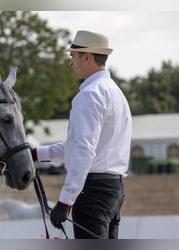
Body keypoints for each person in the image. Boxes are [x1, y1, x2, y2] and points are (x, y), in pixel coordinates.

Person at [32, 30, 132, 239]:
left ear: (86, 56)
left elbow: (84, 150)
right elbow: (76, 146)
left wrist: (65, 200)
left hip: (93, 191)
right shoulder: (116, 93)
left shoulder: (89, 95)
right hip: (114, 188)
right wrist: (34, 154)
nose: (71, 63)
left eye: (73, 56)